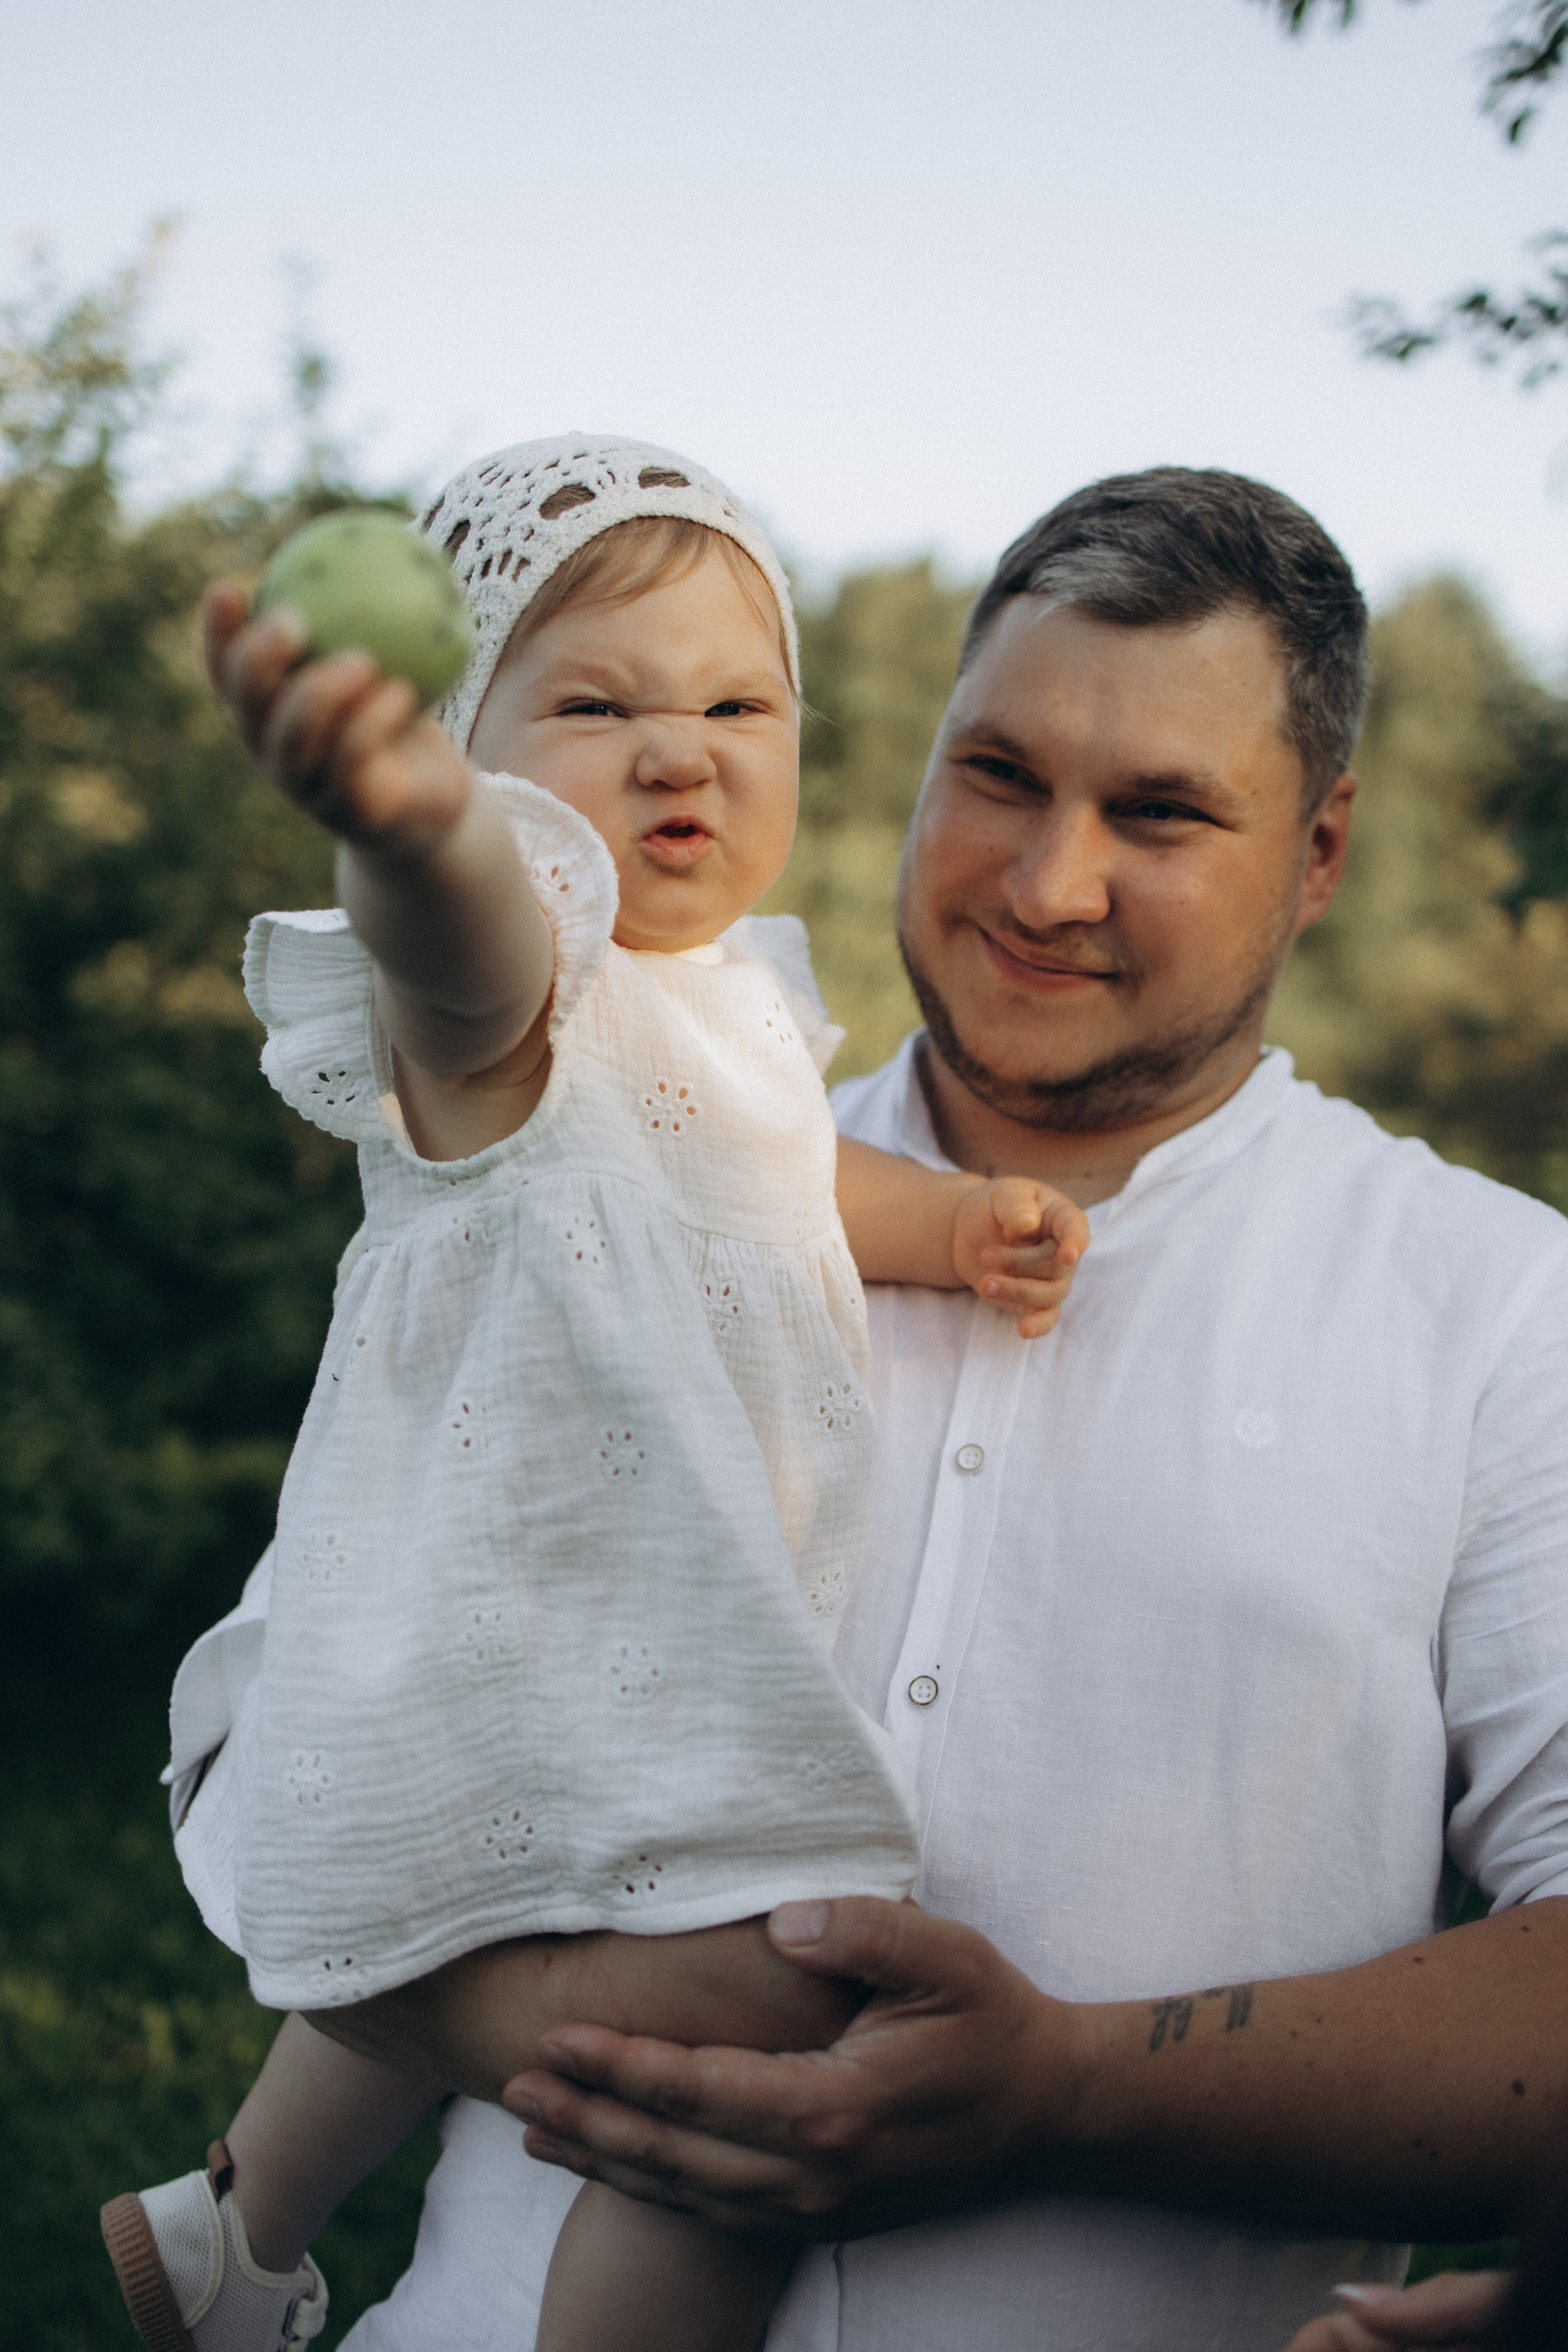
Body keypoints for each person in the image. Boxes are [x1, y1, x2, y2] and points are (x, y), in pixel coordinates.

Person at [264, 465, 1568, 2352]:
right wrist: (562, 2021)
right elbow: (275, 1765)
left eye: (1163, 813)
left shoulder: (1504, 1306)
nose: (1049, 885)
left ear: (1324, 849)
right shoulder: (608, 1180)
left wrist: (1072, 2088)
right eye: (1001, 776)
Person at [98, 438, 1088, 2352]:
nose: (681, 748)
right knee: (780, 2041)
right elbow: (461, 956)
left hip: (621, 1618)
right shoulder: (514, 996)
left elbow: (786, 1177)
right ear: (475, 742)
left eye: (738, 702)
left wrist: (957, 1224)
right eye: (598, 701)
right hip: (516, 1612)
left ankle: (237, 2232)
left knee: (464, 1927)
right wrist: (406, 825)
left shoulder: (736, 1009)